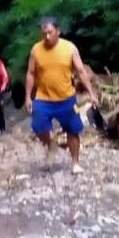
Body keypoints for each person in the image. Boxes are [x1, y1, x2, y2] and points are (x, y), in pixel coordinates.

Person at [23, 17, 99, 173]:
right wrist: (27, 97)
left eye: (50, 32)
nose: (47, 37)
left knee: (73, 130)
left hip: (66, 98)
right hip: (43, 98)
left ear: (58, 31)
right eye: (44, 33)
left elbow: (81, 72)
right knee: (38, 126)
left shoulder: (69, 48)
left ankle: (76, 163)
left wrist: (91, 93)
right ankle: (51, 144)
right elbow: (30, 74)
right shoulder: (36, 50)